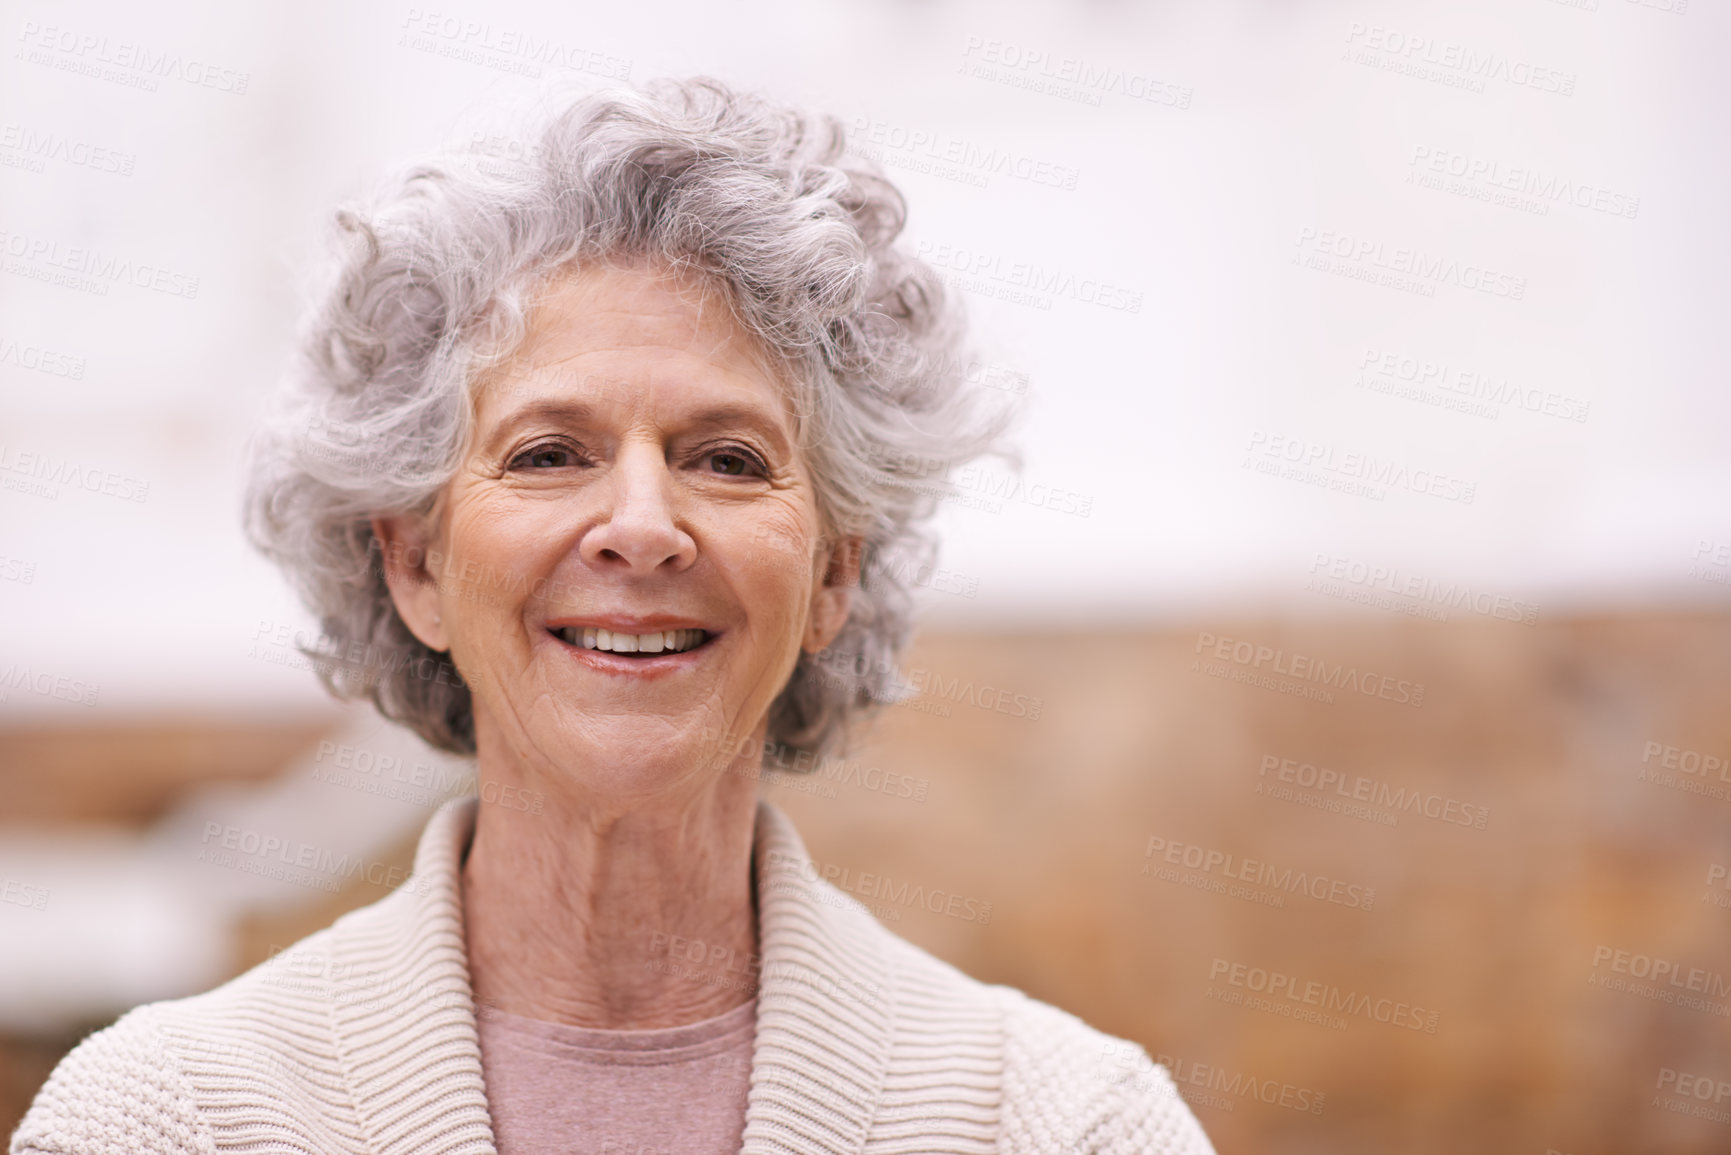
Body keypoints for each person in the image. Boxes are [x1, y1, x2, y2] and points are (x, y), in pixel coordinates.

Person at [11, 77, 1214, 1154]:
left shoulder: (1067, 1125)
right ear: (415, 565)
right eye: (547, 453)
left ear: (834, 571)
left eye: (730, 460)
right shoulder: (167, 1122)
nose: (642, 524)